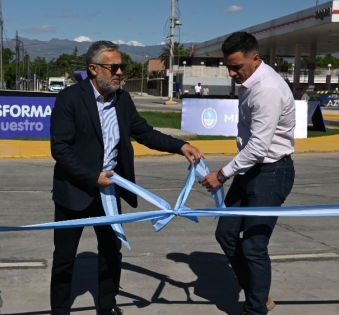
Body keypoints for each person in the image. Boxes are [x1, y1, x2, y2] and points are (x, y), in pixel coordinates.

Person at [50, 40, 204, 315]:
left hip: (109, 192)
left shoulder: (123, 101)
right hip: (73, 192)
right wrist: (91, 176)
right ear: (94, 69)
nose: (120, 72)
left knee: (111, 254)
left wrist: (180, 146)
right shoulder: (70, 99)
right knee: (64, 259)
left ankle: (107, 308)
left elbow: (145, 133)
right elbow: (60, 148)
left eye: (123, 66)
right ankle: (60, 310)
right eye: (114, 67)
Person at [198, 32, 295, 315]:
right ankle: (259, 293)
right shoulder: (248, 81)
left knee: (254, 245)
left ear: (255, 58)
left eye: (236, 67)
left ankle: (255, 309)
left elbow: (259, 147)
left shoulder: (267, 90)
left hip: (272, 171)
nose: (231, 73)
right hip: (250, 170)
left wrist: (223, 174)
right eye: (228, 66)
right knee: (226, 234)